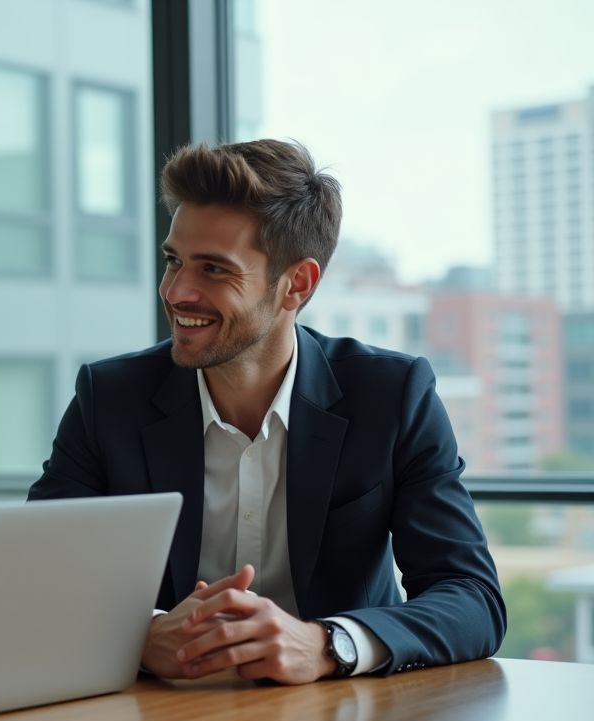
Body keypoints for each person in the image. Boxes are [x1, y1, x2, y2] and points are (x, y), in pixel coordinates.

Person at [29, 140, 505, 684]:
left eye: (213, 269)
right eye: (173, 261)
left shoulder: (392, 395)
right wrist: (139, 635)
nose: (176, 291)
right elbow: (36, 578)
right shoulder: (110, 397)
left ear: (296, 285)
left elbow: (471, 598)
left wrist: (328, 644)